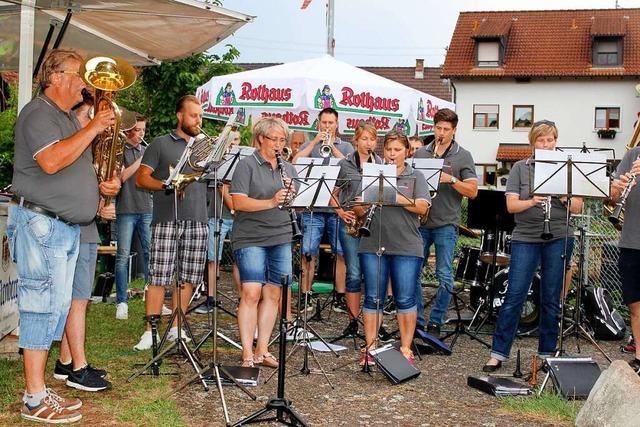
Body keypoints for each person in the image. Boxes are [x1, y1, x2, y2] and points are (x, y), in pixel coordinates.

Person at [9, 49, 118, 423]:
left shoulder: (65, 118)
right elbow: (51, 161)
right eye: (78, 75)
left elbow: (72, 165)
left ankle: (39, 390)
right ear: (54, 77)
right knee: (39, 309)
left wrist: (103, 185)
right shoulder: (38, 112)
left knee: (54, 309)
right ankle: (34, 398)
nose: (85, 84)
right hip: (42, 223)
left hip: (63, 226)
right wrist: (92, 127)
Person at [483, 120, 583, 372]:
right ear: (533, 143)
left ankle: (547, 353)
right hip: (526, 236)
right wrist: (532, 201)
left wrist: (564, 197)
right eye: (541, 140)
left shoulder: (567, 168)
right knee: (515, 294)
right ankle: (498, 353)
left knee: (550, 297)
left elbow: (578, 208)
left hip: (559, 235)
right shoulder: (520, 168)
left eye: (550, 140)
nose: (546, 144)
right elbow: (511, 206)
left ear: (556, 141)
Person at [133, 95, 208, 351]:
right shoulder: (160, 143)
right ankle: (149, 331)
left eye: (200, 115)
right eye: (193, 115)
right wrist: (167, 185)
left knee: (188, 277)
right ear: (179, 116)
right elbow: (141, 179)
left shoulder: (205, 147)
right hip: (167, 219)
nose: (198, 120)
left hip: (198, 218)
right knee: (159, 276)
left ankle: (177, 327)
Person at [52, 92, 114, 393]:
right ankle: (79, 368)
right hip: (71, 226)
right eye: (89, 115)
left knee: (79, 299)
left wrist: (107, 191)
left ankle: (66, 361)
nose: (96, 122)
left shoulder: (88, 148)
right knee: (76, 300)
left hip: (87, 226)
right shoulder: (69, 145)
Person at [230, 117, 299, 368]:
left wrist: (292, 196)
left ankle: (263, 349)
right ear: (260, 139)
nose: (279, 145)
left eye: (283, 140)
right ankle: (247, 352)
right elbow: (238, 202)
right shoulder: (246, 165)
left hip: (281, 234)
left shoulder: (288, 169)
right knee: (251, 292)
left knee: (273, 292)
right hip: (250, 236)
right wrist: (271, 202)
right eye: (274, 139)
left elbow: (295, 203)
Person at [357, 131, 430, 365]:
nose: (392, 154)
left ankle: (406, 348)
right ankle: (370, 348)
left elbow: (422, 208)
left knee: (406, 298)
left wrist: (393, 195)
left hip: (406, 244)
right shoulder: (372, 173)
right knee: (372, 298)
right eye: (388, 149)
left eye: (397, 149)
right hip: (373, 242)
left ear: (406, 151)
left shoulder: (415, 175)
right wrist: (364, 203)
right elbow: (358, 210)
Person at [414, 108, 478, 336]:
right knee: (413, 272)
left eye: (446, 130)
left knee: (444, 275)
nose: (441, 133)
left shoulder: (463, 155)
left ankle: (437, 320)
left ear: (454, 130)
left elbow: (472, 191)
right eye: (438, 128)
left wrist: (450, 179)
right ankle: (417, 320)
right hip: (421, 222)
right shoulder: (421, 154)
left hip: (446, 223)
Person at [292, 108, 352, 312]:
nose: (327, 126)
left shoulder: (345, 146)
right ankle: (305, 294)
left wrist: (332, 148)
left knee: (341, 252)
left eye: (331, 123)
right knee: (308, 251)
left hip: (337, 209)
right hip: (313, 208)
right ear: (318, 123)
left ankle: (340, 296)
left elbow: (350, 168)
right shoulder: (312, 144)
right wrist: (315, 143)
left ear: (337, 124)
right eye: (324, 122)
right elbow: (296, 162)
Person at [332, 122, 381, 336]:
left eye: (372, 139)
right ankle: (353, 321)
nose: (368, 143)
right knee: (353, 273)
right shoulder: (345, 164)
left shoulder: (381, 163)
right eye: (364, 139)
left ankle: (372, 322)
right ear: (356, 140)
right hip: (351, 224)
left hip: (374, 224)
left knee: (373, 273)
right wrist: (341, 212)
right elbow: (332, 194)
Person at [196, 130, 241, 314]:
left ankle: (242, 299)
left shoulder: (243, 163)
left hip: (238, 217)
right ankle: (211, 298)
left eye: (236, 140)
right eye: (230, 140)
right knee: (213, 259)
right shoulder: (215, 162)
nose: (233, 144)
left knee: (240, 260)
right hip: (216, 214)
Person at [114, 114, 152, 320]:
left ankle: (151, 297)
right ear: (129, 130)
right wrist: (140, 162)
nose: (140, 134)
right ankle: (121, 301)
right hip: (126, 208)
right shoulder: (120, 151)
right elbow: (121, 177)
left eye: (143, 131)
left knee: (150, 255)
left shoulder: (146, 151)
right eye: (137, 130)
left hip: (146, 207)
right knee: (122, 257)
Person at [610, 145, 640, 375]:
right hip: (632, 240)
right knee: (635, 305)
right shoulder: (632, 155)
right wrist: (618, 187)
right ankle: (639, 357)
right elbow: (611, 196)